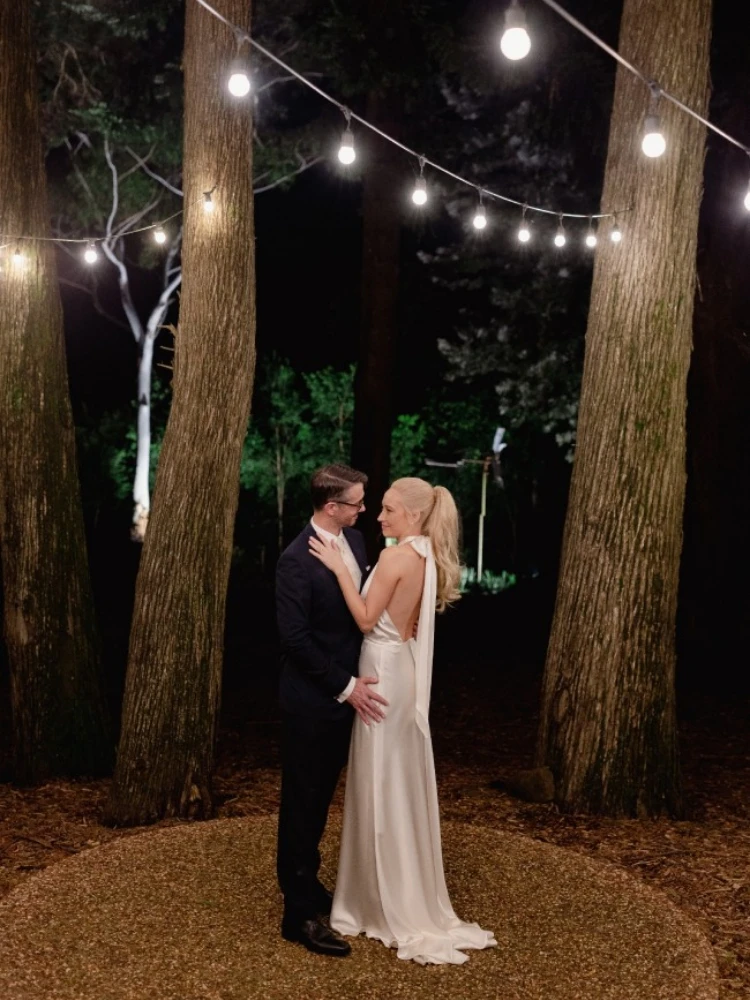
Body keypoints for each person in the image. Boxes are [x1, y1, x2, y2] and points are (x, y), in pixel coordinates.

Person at [309, 477, 497, 965]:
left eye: (389, 509)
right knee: (394, 780)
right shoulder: (424, 556)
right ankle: (392, 886)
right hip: (403, 668)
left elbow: (368, 620)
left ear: (412, 515)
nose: (380, 516)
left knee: (380, 781)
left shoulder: (396, 557)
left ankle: (376, 898)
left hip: (382, 670)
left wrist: (339, 571)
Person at [276, 464, 389, 958]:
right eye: (357, 503)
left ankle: (312, 883)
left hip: (350, 696)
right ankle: (298, 914)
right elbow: (295, 640)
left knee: (324, 799)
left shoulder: (358, 545)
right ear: (331, 506)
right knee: (303, 804)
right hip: (312, 703)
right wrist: (345, 686)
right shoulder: (294, 561)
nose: (364, 510)